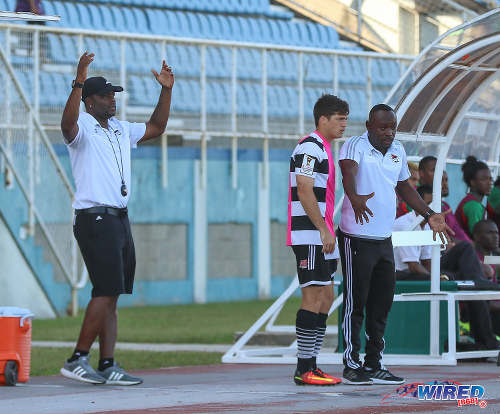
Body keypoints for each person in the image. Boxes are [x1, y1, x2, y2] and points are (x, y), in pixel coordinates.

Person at [59, 52, 174, 385]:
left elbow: (158, 127)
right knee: (104, 290)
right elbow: (67, 124)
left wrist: (166, 90)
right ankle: (77, 358)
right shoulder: (81, 128)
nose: (113, 99)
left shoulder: (121, 129)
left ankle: (107, 363)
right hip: (95, 218)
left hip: (119, 218)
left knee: (113, 293)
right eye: (107, 95)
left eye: (114, 94)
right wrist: (79, 80)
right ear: (89, 101)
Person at [338, 104, 452, 385]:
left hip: (383, 239)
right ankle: (352, 365)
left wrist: (430, 214)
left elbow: (404, 188)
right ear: (369, 126)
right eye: (383, 127)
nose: (389, 133)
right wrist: (353, 196)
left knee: (382, 303)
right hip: (356, 238)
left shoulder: (397, 150)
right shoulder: (355, 146)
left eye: (392, 128)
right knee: (356, 302)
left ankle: (375, 363)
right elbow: (347, 172)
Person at [287, 94, 348, 386]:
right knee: (313, 296)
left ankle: (313, 363)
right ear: (322, 119)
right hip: (310, 234)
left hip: (321, 234)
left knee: (326, 297)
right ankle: (304, 367)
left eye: (346, 119)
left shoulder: (323, 148)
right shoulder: (310, 147)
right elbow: (304, 188)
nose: (344, 125)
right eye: (339, 119)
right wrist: (323, 228)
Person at [393, 187, 499, 350]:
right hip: (402, 275)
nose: (431, 209)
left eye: (434, 205)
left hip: (419, 272)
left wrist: (443, 276)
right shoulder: (405, 225)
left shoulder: (427, 225)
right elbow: (414, 267)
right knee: (464, 260)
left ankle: (483, 338)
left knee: (464, 257)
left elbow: (428, 263)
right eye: (427, 204)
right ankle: (485, 335)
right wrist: (440, 278)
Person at [418, 155, 471, 243]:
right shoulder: (415, 201)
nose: (440, 174)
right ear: (422, 173)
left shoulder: (445, 205)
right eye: (434, 170)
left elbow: (457, 232)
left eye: (440, 170)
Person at [472, 220, 500, 337]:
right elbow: (481, 303)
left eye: (497, 233)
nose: (496, 237)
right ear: (477, 237)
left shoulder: (489, 258)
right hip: (484, 314)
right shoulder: (472, 260)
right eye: (490, 233)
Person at [455, 156, 494, 239]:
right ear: (473, 182)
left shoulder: (471, 201)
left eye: (490, 179)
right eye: (484, 179)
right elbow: (479, 237)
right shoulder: (473, 205)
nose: (489, 183)